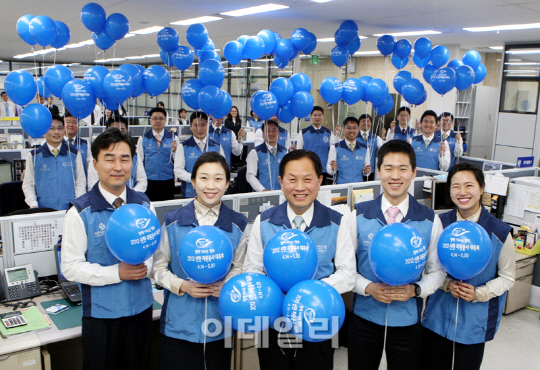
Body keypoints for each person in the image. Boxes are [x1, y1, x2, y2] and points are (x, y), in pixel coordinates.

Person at [244, 149, 356, 370]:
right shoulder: (264, 221)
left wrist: (307, 293)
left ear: (320, 180)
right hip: (274, 321)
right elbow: (252, 269)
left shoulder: (337, 222)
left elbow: (347, 274)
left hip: (318, 319)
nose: (300, 187)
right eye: (292, 180)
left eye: (307, 179)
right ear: (281, 181)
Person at [343, 139, 446, 370]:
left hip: (408, 321)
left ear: (414, 172)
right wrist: (368, 288)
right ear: (378, 171)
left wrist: (416, 289)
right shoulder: (357, 216)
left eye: (403, 169)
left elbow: (437, 270)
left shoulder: (430, 220)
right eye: (388, 168)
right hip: (364, 319)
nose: (395, 176)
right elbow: (346, 269)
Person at [61, 128, 154, 370]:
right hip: (102, 317)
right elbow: (70, 268)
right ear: (94, 163)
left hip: (141, 311)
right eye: (109, 159)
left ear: (133, 163)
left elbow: (153, 251)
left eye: (125, 159)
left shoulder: (144, 205)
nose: (118, 166)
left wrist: (147, 267)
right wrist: (117, 273)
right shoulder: (80, 212)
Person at [153, 151, 248, 370]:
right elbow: (157, 268)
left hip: (219, 323)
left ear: (227, 184)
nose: (211, 185)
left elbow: (240, 267)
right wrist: (182, 285)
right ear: (193, 181)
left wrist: (226, 284)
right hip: (178, 323)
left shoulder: (238, 225)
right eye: (204, 178)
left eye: (218, 178)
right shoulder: (172, 222)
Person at [421, 163, 515, 370]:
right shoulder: (438, 225)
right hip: (437, 317)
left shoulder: (499, 232)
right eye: (456, 186)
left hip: (475, 322)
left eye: (469, 185)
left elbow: (508, 277)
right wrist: (445, 284)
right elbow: (425, 267)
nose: (462, 192)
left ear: (482, 188)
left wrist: (479, 293)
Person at [22, 115, 86, 210]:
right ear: (44, 131)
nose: (56, 132)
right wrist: (33, 204)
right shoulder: (34, 156)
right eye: (51, 128)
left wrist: (78, 203)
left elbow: (80, 182)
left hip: (70, 209)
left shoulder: (74, 154)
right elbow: (28, 184)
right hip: (43, 209)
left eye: (60, 128)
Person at [88, 116, 147, 192]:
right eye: (110, 160)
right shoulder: (99, 154)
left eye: (122, 130)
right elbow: (92, 182)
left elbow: (142, 180)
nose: (118, 168)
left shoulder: (134, 155)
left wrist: (131, 193)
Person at [175, 111, 224, 198]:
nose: (200, 129)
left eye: (203, 125)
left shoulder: (216, 146)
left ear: (208, 125)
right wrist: (196, 179)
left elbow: (223, 168)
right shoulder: (183, 147)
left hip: (212, 194)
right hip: (190, 194)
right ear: (190, 126)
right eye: (196, 125)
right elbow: (178, 170)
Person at [136, 107, 178, 201]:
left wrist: (175, 151)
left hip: (167, 180)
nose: (158, 121)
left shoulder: (173, 138)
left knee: (167, 208)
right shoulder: (143, 138)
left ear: (165, 120)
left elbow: (177, 161)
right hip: (149, 180)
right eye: (155, 118)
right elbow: (139, 162)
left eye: (161, 118)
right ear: (150, 120)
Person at [296, 106, 335, 183]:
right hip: (307, 170)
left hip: (324, 171)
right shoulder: (303, 132)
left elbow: (333, 152)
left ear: (323, 116)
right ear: (311, 116)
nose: (317, 117)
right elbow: (299, 152)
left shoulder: (329, 133)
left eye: (320, 115)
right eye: (315, 115)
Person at [326, 117, 370, 184]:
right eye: (348, 128)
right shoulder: (335, 147)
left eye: (354, 128)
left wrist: (366, 171)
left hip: (358, 187)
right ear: (343, 130)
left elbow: (367, 171)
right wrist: (332, 168)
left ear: (358, 130)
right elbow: (329, 170)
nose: (351, 131)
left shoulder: (365, 149)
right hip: (341, 187)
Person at [246, 119, 287, 192]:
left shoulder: (284, 152)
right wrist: (262, 190)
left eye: (274, 130)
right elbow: (250, 176)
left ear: (278, 133)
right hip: (262, 195)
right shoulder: (255, 152)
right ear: (263, 134)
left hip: (281, 194)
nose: (271, 133)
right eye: (267, 131)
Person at [64, 110, 92, 177]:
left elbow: (90, 168)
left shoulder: (85, 144)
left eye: (74, 122)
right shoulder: (57, 144)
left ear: (78, 125)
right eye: (67, 122)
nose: (71, 125)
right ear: (62, 125)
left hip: (82, 185)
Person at [358, 113, 384, 181]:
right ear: (359, 123)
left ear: (371, 123)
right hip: (356, 171)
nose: (365, 123)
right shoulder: (354, 138)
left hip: (370, 171)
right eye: (363, 121)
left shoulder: (376, 138)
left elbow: (383, 150)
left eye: (368, 121)